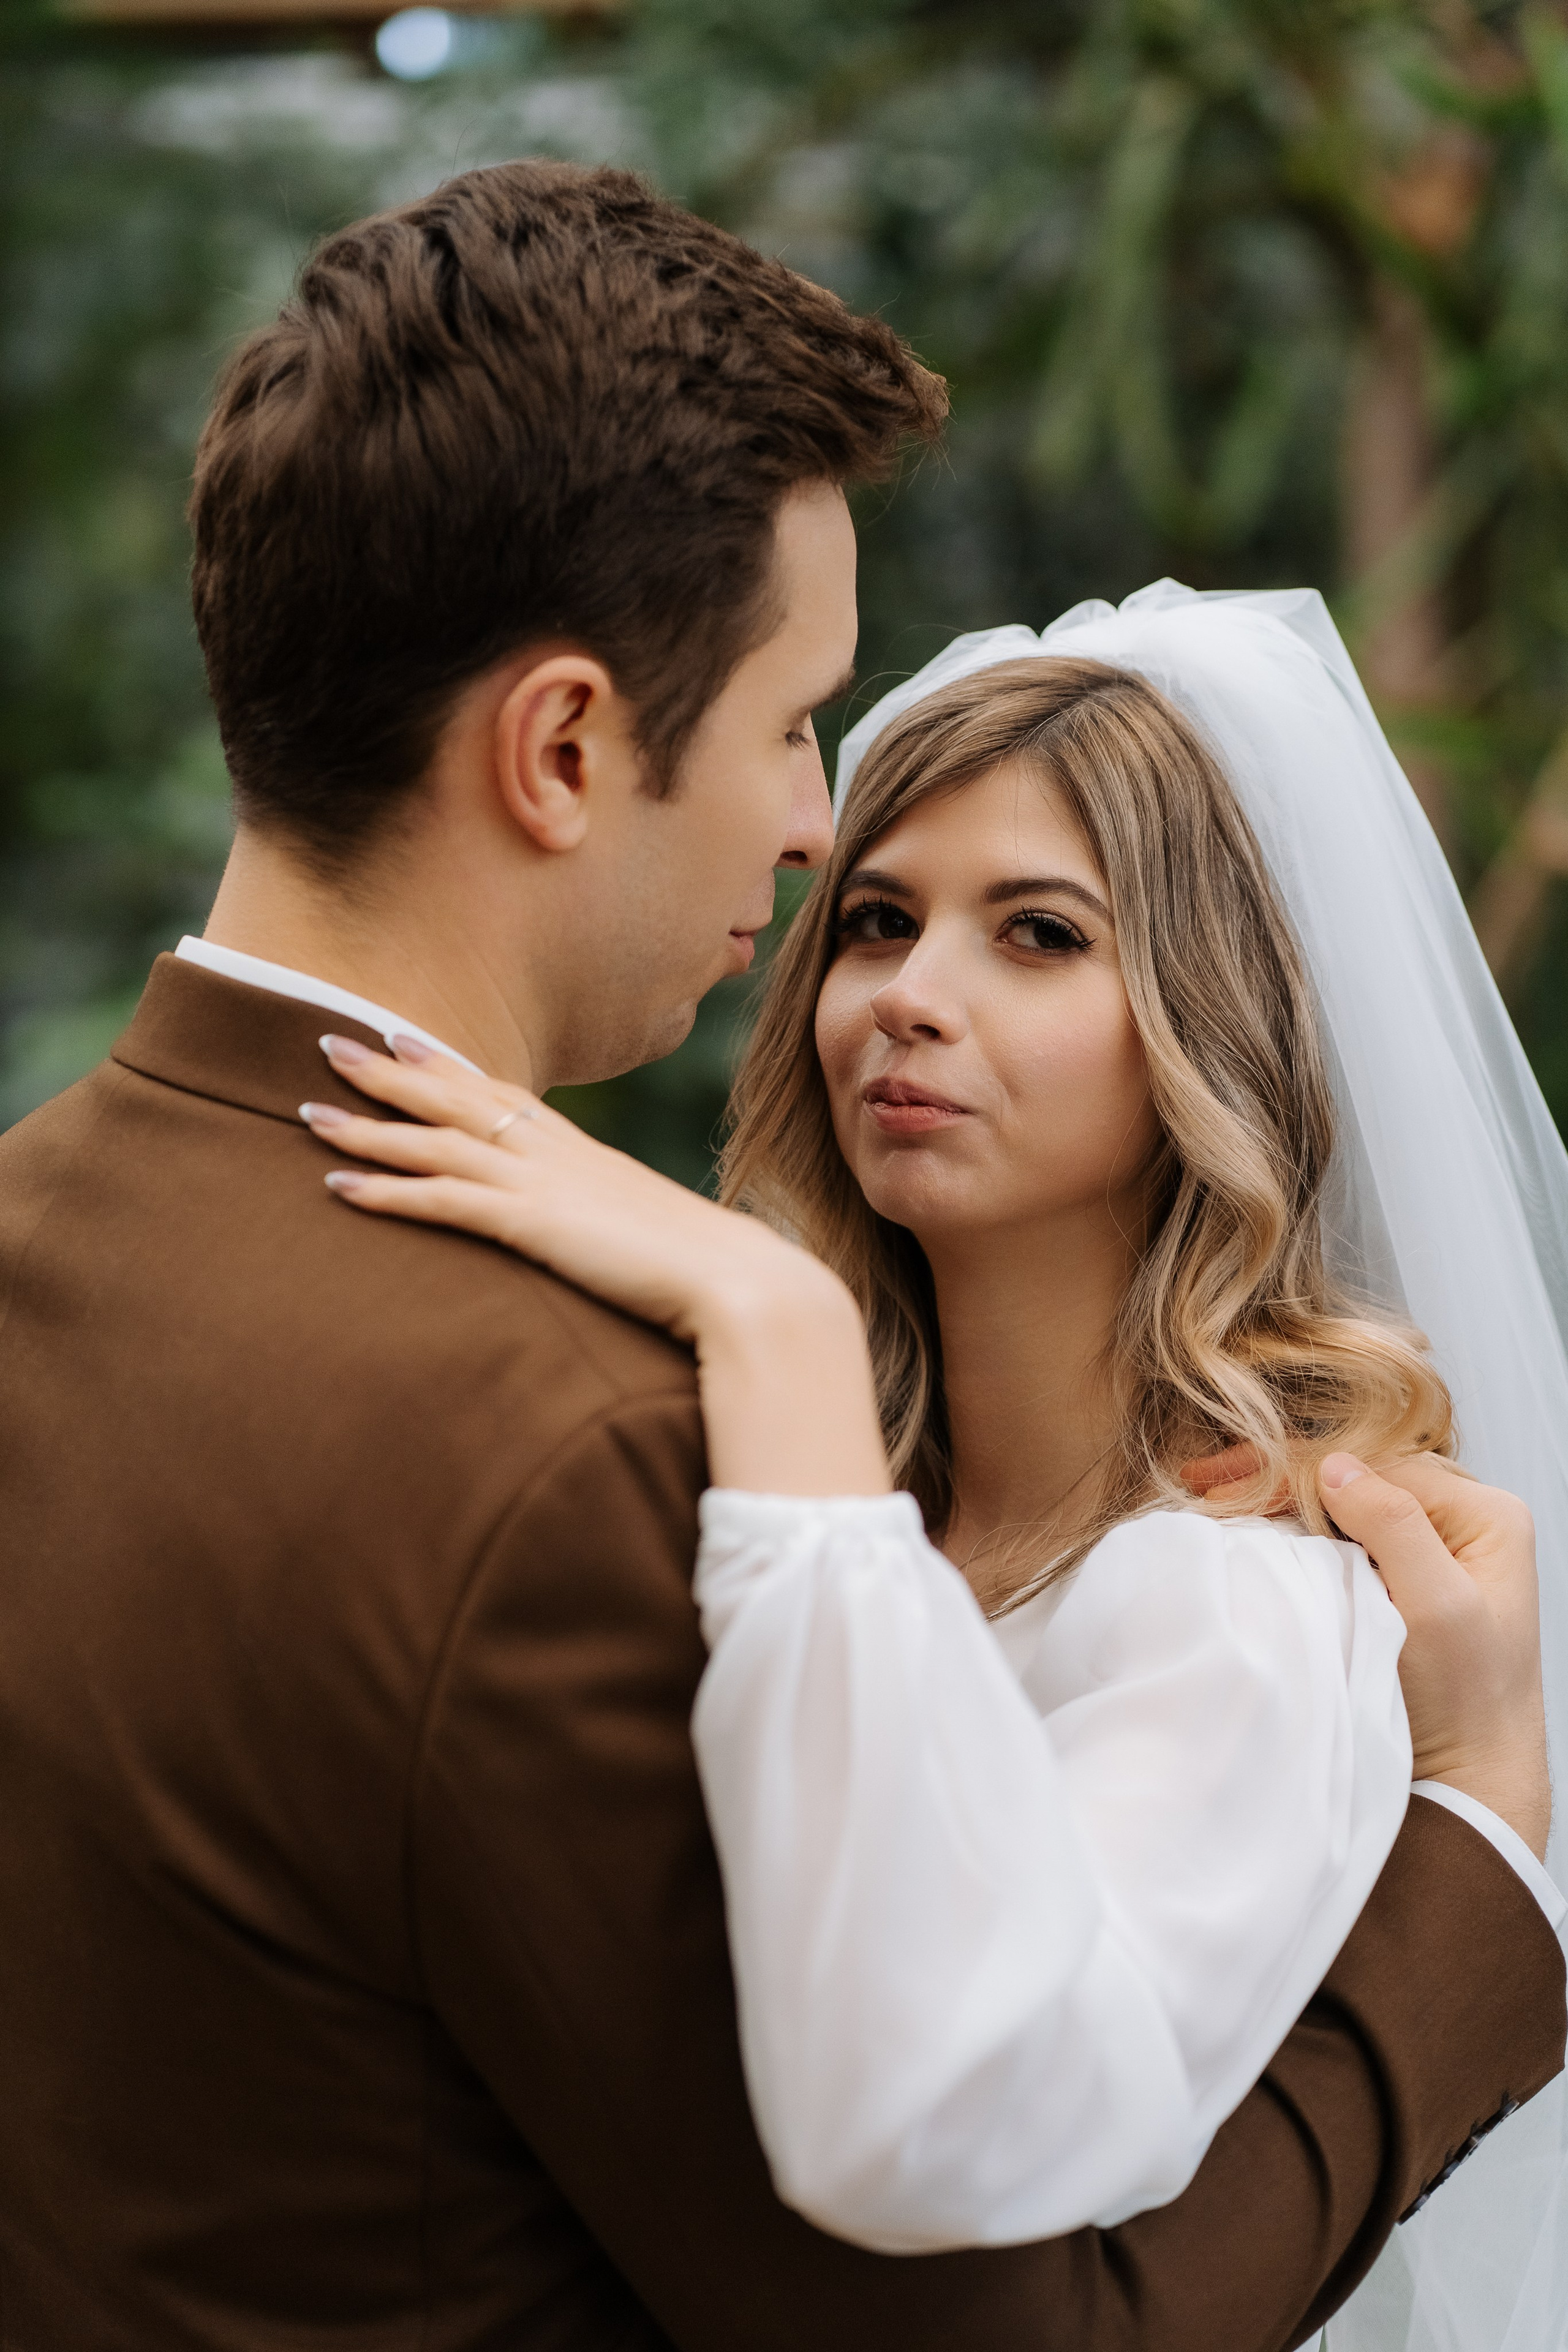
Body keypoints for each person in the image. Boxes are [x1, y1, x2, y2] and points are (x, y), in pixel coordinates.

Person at [0, 160, 1558, 2351]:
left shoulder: (43, 1225)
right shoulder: (605, 1462)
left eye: (1040, 934)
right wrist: (1487, 1866)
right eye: (791, 721)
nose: (817, 831)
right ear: (563, 747)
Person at [306, 584, 1568, 2348]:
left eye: (1038, 936)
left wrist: (757, 1302)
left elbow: (989, 2167)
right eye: (878, 922)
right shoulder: (787, 1494)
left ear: (1207, 1023)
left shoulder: (1232, 1598)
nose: (910, 996)